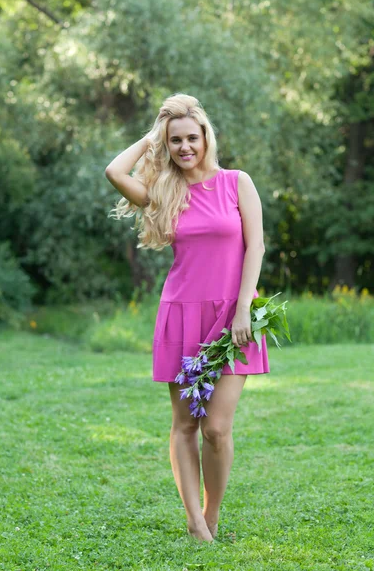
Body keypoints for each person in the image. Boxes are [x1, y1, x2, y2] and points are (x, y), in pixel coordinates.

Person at [105, 93, 269, 543]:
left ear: (205, 137)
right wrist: (151, 138)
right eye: (175, 140)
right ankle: (195, 522)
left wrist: (243, 311)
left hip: (234, 314)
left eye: (190, 138)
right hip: (182, 314)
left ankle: (212, 515)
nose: (184, 147)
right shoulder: (163, 192)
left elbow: (254, 246)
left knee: (217, 428)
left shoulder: (238, 182)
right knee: (185, 424)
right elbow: (115, 172)